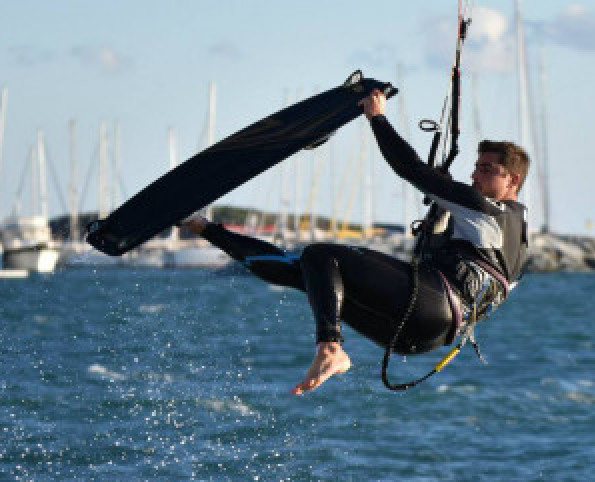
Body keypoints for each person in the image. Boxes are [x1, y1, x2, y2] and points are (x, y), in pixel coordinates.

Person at [180, 88, 530, 395]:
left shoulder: (486, 209)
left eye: (486, 170)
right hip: (424, 337)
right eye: (476, 167)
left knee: (323, 255)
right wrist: (439, 217)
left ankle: (331, 347)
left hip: (431, 306)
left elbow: (411, 170)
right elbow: (456, 265)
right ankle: (201, 226)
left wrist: (378, 119)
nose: (474, 176)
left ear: (513, 179)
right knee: (305, 271)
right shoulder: (520, 242)